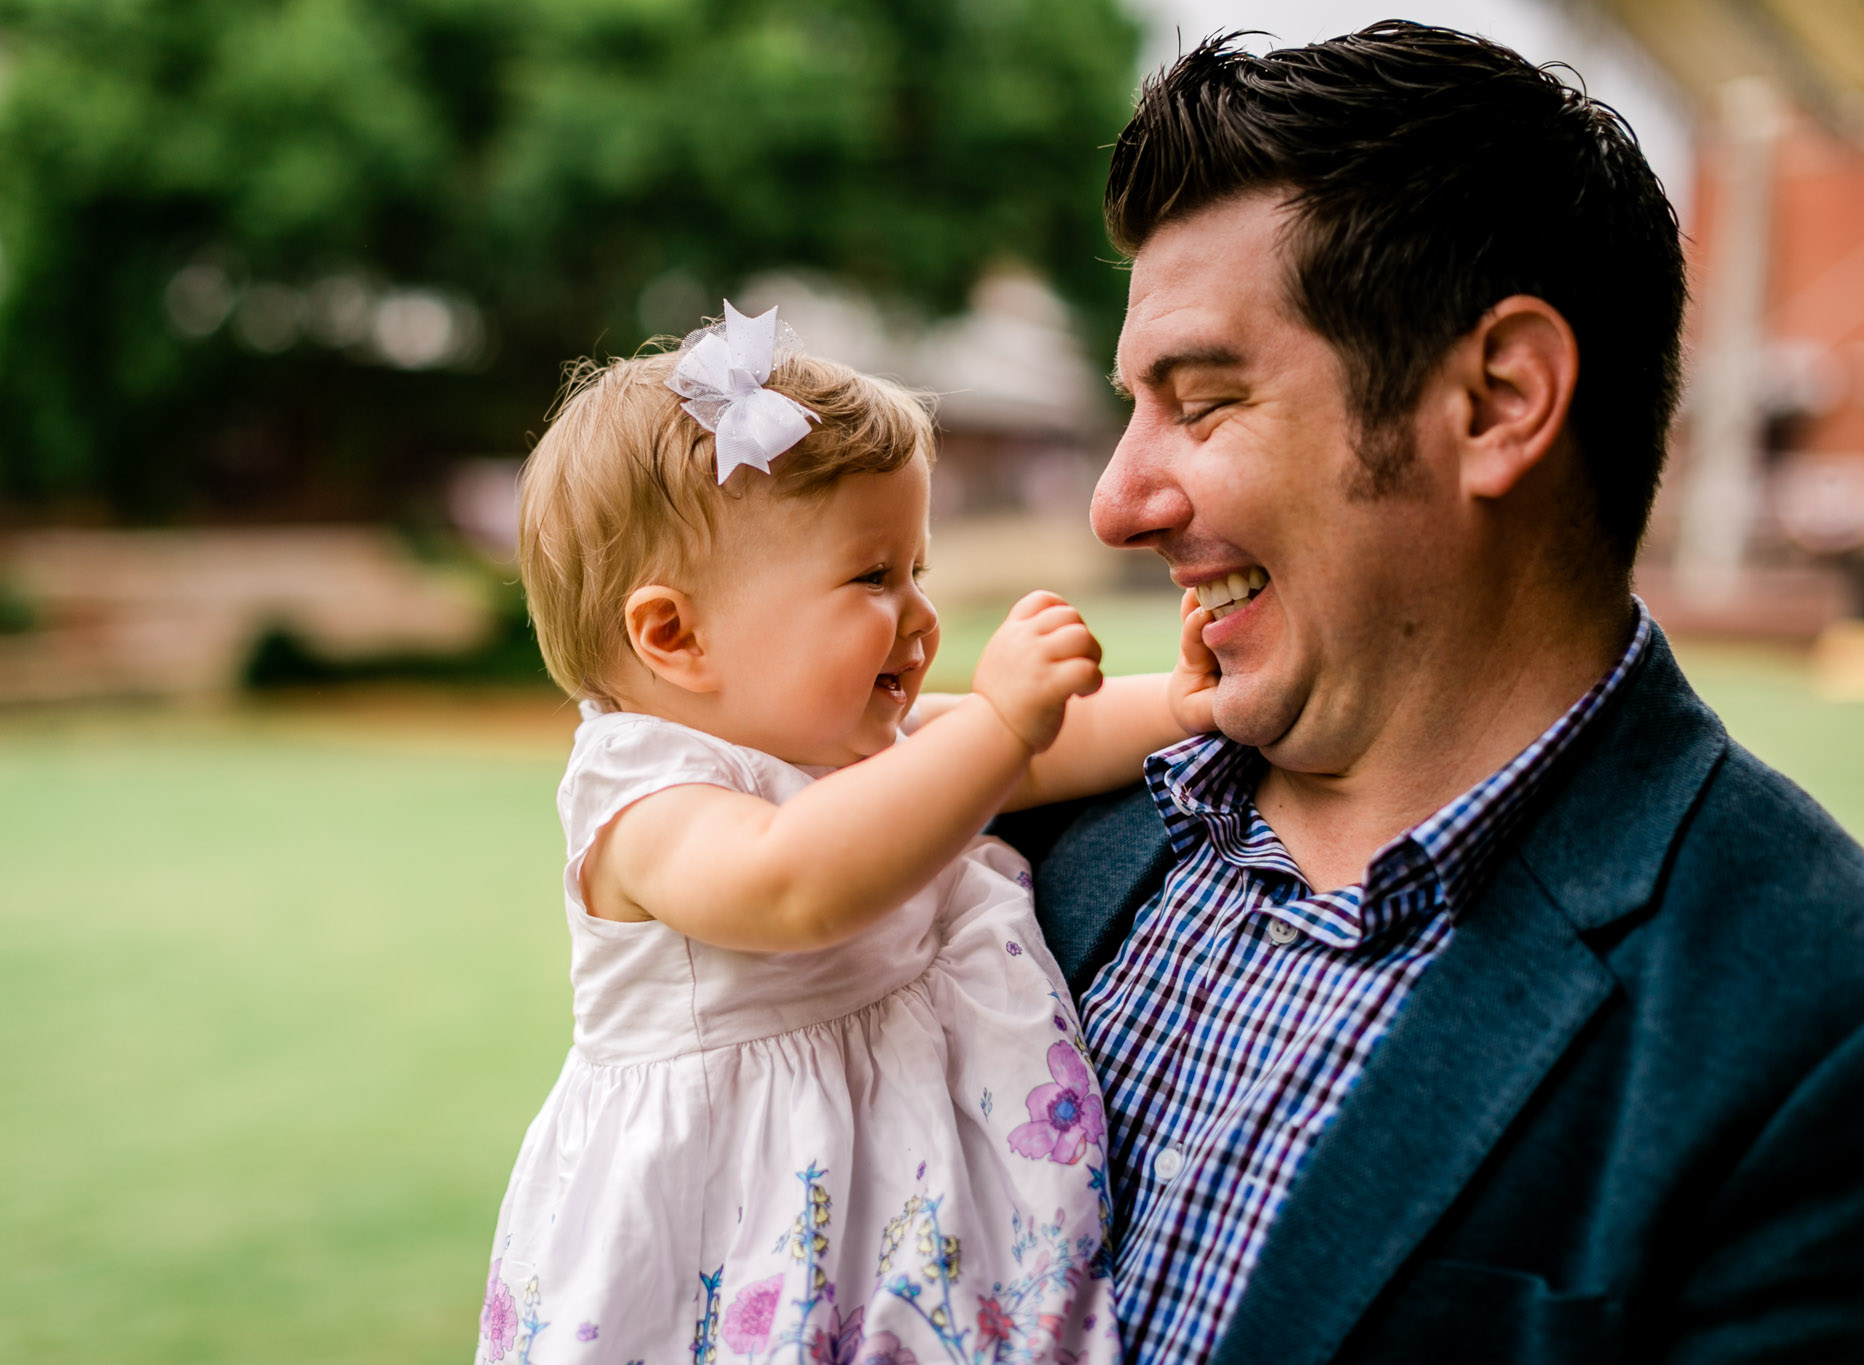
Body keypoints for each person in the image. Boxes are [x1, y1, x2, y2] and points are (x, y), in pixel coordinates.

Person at [996, 22, 1864, 1365]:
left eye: (1206, 401)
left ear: (1496, 401)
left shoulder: (1811, 1026)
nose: (1119, 503)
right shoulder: (1035, 825)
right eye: (1133, 407)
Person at [474, 303, 1218, 1364]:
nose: (920, 616)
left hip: (896, 1198)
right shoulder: (642, 797)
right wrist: (1001, 722)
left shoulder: (866, 741)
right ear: (674, 635)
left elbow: (1046, 748)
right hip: (736, 1226)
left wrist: (1182, 704)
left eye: (914, 566)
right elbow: (791, 885)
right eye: (872, 576)